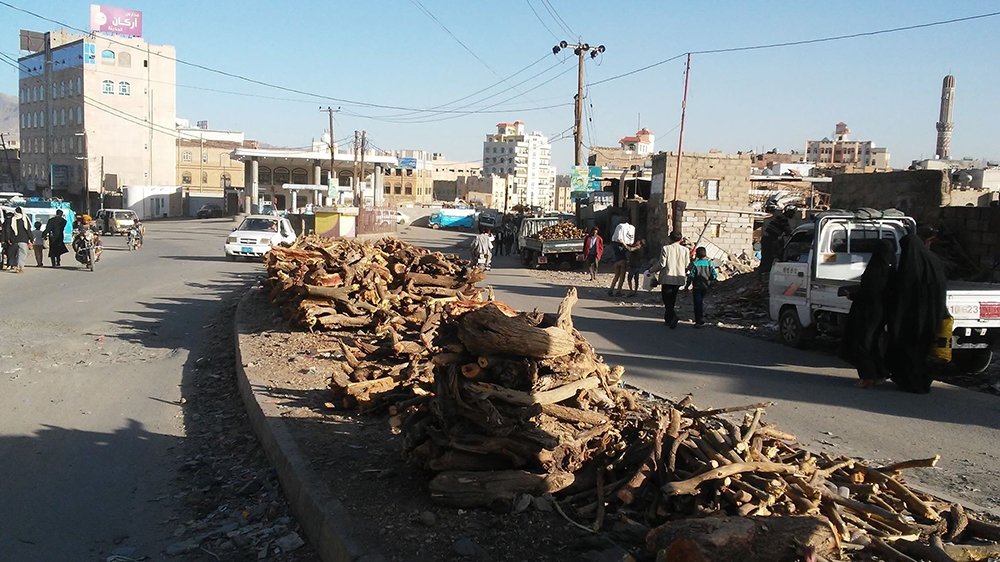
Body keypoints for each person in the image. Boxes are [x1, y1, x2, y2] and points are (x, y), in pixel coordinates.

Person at [884, 234, 947, 393]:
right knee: (921, 352)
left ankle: (912, 382)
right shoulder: (935, 263)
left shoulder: (910, 267)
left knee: (907, 351)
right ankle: (919, 380)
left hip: (910, 320)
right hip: (931, 318)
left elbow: (902, 294)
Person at [843, 239, 895, 388]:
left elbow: (869, 292)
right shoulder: (890, 271)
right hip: (881, 312)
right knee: (872, 343)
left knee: (862, 343)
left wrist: (853, 295)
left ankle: (867, 377)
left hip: (867, 312)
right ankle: (878, 373)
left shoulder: (874, 270)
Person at [648, 231, 689, 328]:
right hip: (679, 277)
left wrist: (651, 270)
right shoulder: (685, 250)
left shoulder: (666, 248)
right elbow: (687, 264)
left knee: (666, 299)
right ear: (680, 239)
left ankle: (673, 316)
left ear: (670, 238)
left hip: (667, 277)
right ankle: (668, 319)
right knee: (672, 298)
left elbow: (662, 264)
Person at [686, 247, 718, 327]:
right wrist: (710, 280)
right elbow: (714, 275)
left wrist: (687, 285)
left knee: (697, 303)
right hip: (705, 286)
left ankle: (698, 320)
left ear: (697, 255)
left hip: (697, 286)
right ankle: (701, 318)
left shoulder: (695, 264)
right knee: (701, 301)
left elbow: (691, 275)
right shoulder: (709, 263)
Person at [759, 207, 794, 279]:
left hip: (768, 239)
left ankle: (762, 274)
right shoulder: (783, 218)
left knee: (767, 257)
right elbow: (787, 231)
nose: (793, 215)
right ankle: (763, 275)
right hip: (769, 240)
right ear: (788, 212)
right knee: (768, 257)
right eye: (792, 212)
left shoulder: (780, 217)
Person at [4, 207, 33, 273]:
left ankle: (14, 265)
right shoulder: (24, 219)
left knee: (14, 253)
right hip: (23, 240)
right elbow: (28, 230)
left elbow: (8, 230)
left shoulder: (12, 219)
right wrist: (31, 239)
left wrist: (8, 238)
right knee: (22, 254)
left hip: (14, 240)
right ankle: (19, 267)